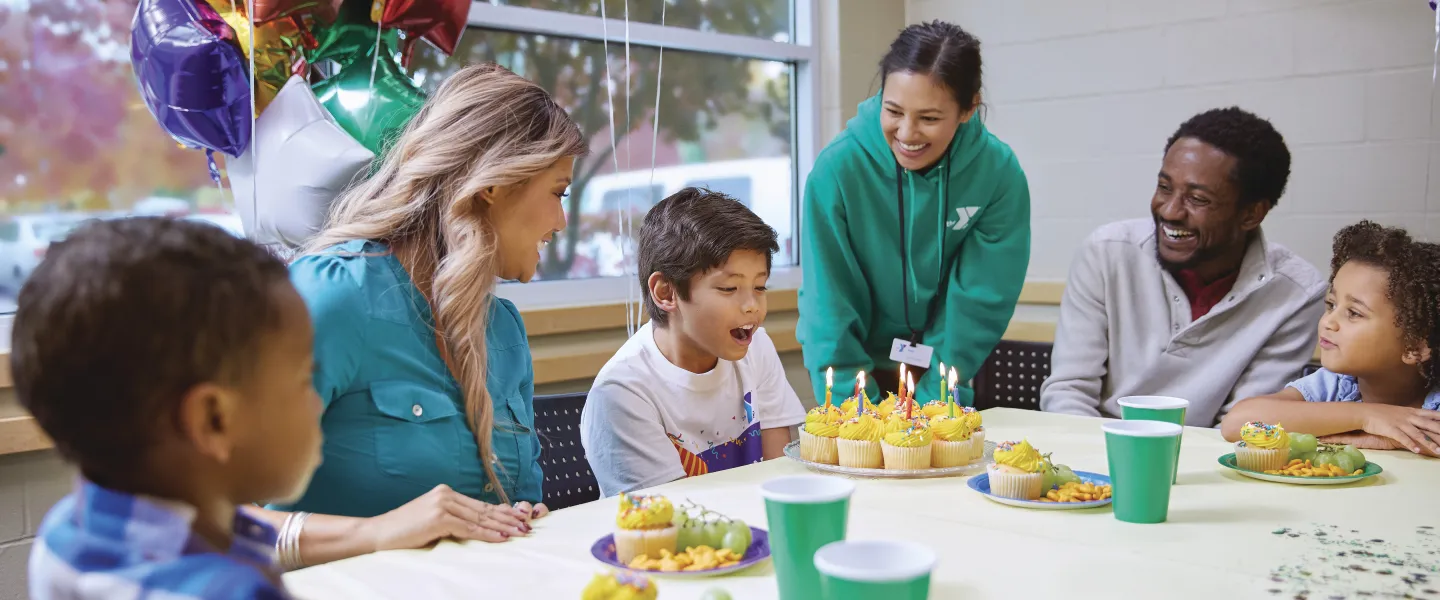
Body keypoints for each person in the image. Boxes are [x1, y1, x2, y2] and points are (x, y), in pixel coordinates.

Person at [246, 63, 588, 567]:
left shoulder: (505, 331)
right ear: (493, 184)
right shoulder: (334, 296)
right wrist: (378, 532)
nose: (562, 220)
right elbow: (198, 514)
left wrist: (520, 518)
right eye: (558, 192)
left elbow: (518, 505)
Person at [16, 218, 322, 599]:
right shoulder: (231, 593)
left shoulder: (63, 532)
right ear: (213, 420)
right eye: (305, 380)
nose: (318, 402)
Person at [1040, 107, 1326, 427]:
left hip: (1205, 466)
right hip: (1097, 453)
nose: (1171, 211)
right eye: (1165, 187)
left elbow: (1242, 427)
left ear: (1251, 214)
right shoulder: (1106, 253)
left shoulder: (1297, 294)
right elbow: (1069, 391)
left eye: (1198, 199)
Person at [799, 21, 1030, 404]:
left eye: (929, 118)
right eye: (893, 111)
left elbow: (979, 302)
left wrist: (931, 406)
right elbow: (828, 305)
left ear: (969, 108)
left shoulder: (998, 174)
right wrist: (855, 409)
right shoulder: (837, 171)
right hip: (856, 375)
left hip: (942, 374)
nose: (907, 133)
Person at [581, 188, 807, 497]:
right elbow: (673, 519)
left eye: (760, 286)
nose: (752, 305)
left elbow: (781, 478)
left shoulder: (757, 348)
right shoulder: (624, 393)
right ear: (666, 293)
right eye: (729, 288)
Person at [1221, 221, 1440, 456]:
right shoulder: (1336, 384)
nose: (1327, 322)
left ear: (1415, 346)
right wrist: (1366, 417)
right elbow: (1237, 423)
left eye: (1354, 313)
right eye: (1331, 305)